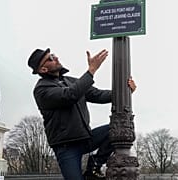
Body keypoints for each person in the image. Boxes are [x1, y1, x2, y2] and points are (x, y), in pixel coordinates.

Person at [28, 48, 136, 180]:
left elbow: (98, 95)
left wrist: (125, 91)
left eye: (53, 55)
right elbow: (70, 95)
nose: (55, 58)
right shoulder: (41, 90)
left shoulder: (72, 81)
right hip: (66, 147)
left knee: (116, 128)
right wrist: (91, 71)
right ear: (43, 69)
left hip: (86, 138)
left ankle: (95, 165)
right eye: (50, 58)